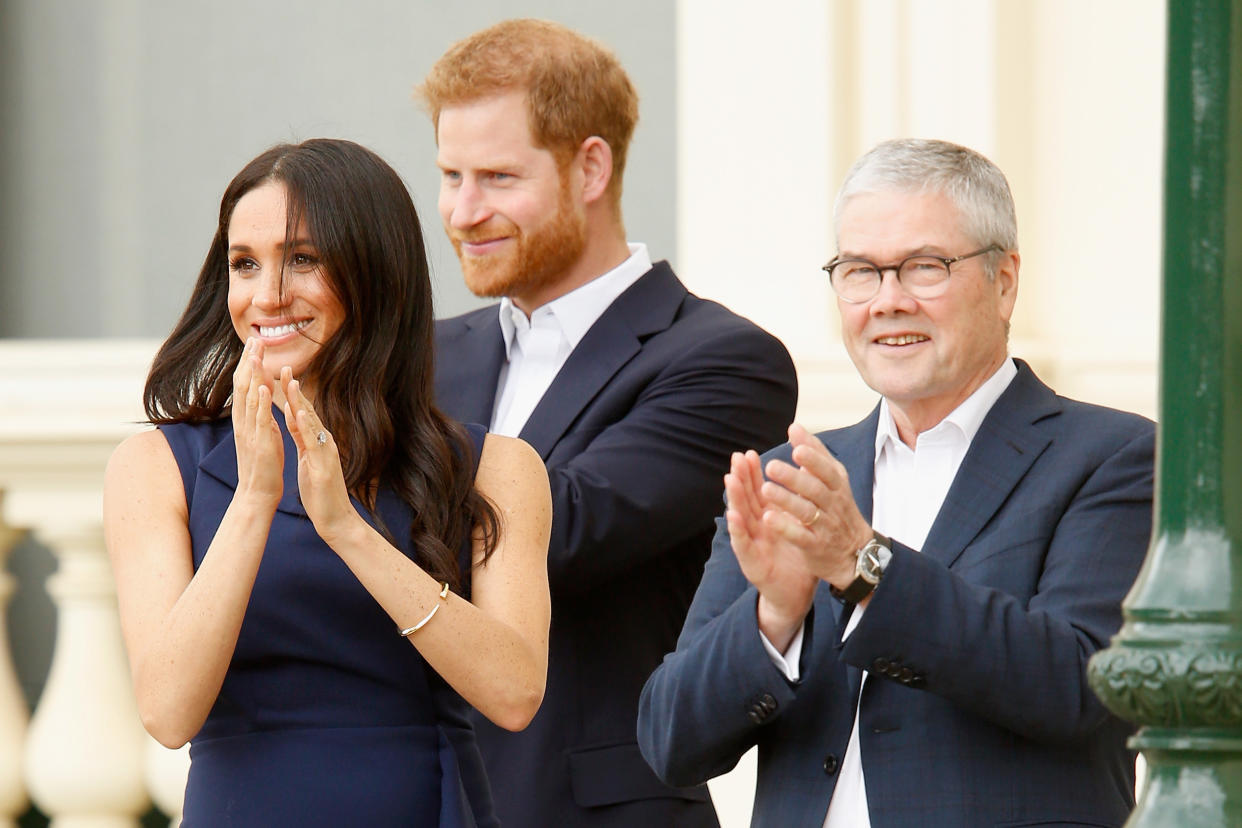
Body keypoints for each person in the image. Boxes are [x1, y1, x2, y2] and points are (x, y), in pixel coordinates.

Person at [638, 138, 1155, 828]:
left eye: (924, 267)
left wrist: (865, 568)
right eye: (859, 271)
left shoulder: (1113, 455)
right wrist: (773, 618)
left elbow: (1082, 687)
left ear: (1004, 281)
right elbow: (669, 741)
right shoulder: (791, 477)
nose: (887, 301)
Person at [103, 138, 552, 828]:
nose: (268, 296)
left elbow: (515, 691)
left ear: (375, 271)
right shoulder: (158, 466)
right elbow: (167, 710)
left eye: (303, 260)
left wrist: (346, 529)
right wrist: (254, 498)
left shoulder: (495, 467)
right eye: (244, 265)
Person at [419, 19, 798, 828]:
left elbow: (556, 532)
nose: (461, 211)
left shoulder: (725, 361)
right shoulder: (426, 356)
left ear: (591, 166)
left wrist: (348, 503)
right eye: (450, 175)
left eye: (496, 177)